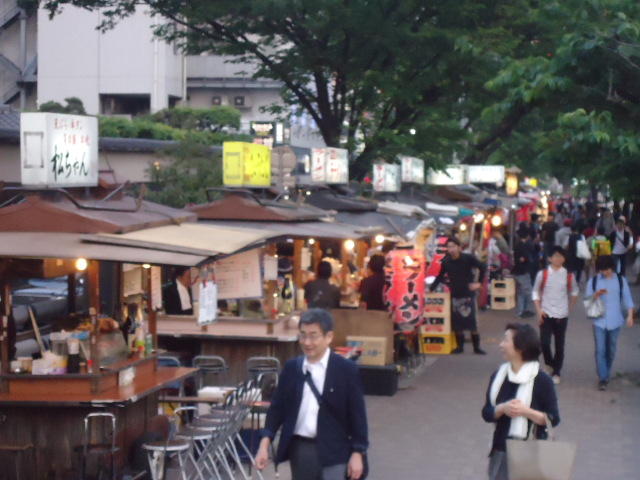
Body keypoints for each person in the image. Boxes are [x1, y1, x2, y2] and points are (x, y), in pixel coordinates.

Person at [255, 309, 368, 480]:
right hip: (301, 449)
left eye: (314, 336)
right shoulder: (292, 368)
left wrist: (358, 452)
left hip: (336, 449)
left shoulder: (346, 370)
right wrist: (264, 445)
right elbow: (277, 409)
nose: (307, 342)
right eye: (302, 335)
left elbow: (358, 415)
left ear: (329, 337)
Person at [482, 323, 560, 480]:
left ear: (521, 348)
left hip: (531, 452)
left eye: (506, 340)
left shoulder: (542, 380)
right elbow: (487, 413)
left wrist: (526, 412)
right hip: (501, 449)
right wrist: (502, 409)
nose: (501, 345)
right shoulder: (498, 376)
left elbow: (553, 419)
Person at [585, 255, 635, 391]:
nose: (605, 272)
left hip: (615, 320)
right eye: (602, 269)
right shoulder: (593, 281)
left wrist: (630, 316)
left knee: (611, 349)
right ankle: (603, 378)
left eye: (607, 269)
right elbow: (587, 300)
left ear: (612, 267)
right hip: (599, 321)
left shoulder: (620, 280)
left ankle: (606, 371)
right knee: (600, 350)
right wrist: (596, 295)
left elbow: (627, 298)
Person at [430, 237, 487, 354]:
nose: (451, 249)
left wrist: (479, 283)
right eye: (449, 247)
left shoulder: (468, 258)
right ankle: (459, 347)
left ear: (459, 247)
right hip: (455, 294)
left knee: (472, 323)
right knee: (457, 323)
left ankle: (477, 348)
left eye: (453, 246)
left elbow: (483, 267)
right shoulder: (446, 261)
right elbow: (440, 276)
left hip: (468, 294)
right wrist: (431, 288)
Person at [531, 247, 579, 385]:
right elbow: (535, 292)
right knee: (544, 343)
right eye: (555, 256)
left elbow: (575, 292)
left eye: (561, 256)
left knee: (559, 345)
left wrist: (569, 308)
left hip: (561, 315)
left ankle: (557, 372)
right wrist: (538, 310)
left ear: (564, 258)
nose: (558, 258)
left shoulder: (569, 275)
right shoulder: (543, 274)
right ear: (549, 258)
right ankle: (549, 364)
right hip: (545, 313)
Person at [513, 231, 535, 318]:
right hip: (523, 271)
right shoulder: (523, 246)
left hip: (518, 271)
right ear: (527, 236)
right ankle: (525, 310)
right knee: (527, 292)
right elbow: (524, 258)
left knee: (521, 293)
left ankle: (521, 311)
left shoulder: (517, 245)